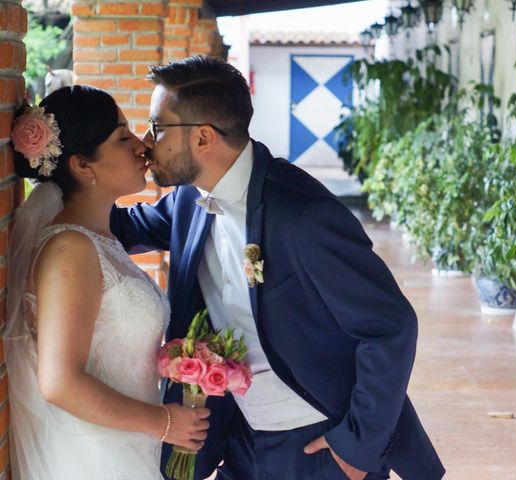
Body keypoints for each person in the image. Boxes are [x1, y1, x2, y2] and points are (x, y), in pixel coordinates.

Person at [111, 56, 445, 480]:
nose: (146, 141)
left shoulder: (303, 215)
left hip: (317, 441)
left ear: (203, 138)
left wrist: (356, 446)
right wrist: (66, 164)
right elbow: (114, 228)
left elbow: (391, 326)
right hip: (238, 436)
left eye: (156, 127)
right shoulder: (188, 202)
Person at [5, 85, 210, 480]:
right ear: (83, 165)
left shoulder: (101, 240)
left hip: (124, 448)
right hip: (91, 456)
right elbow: (59, 383)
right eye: (122, 137)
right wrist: (164, 423)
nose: (140, 147)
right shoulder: (70, 249)